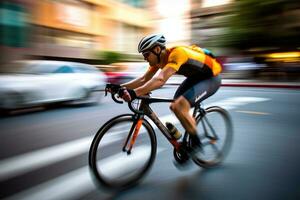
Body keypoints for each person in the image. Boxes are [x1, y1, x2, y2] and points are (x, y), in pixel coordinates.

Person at [118, 33, 222, 154]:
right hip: (195, 78)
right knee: (174, 105)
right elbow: (144, 79)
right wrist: (120, 87)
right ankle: (184, 135)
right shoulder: (158, 61)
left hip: (210, 78)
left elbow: (160, 80)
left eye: (146, 54)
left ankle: (196, 144)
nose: (144, 58)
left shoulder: (177, 53)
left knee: (179, 106)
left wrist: (134, 93)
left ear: (157, 49)